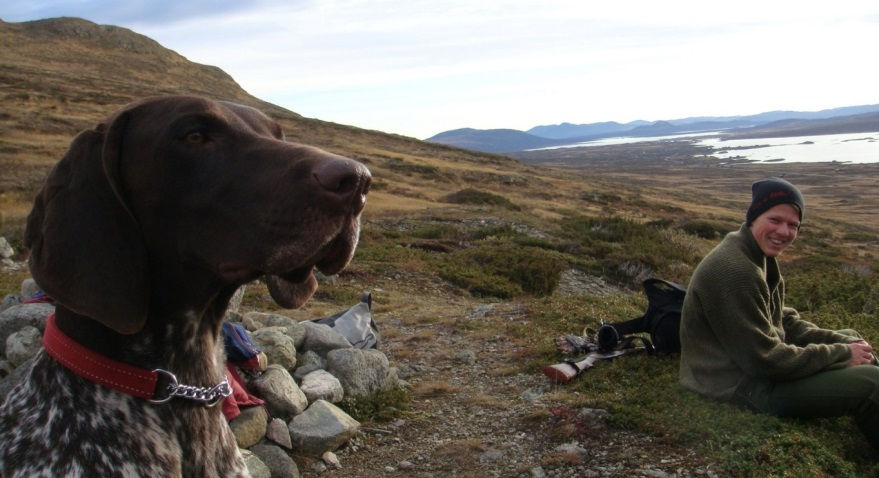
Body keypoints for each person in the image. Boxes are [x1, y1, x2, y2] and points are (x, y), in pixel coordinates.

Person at [679, 176, 879, 449]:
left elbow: (784, 321)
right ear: (754, 217)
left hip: (755, 370)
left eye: (793, 225)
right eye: (775, 220)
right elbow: (764, 361)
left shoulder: (755, 254)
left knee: (852, 338)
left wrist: (844, 345)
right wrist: (842, 355)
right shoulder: (736, 271)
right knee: (871, 383)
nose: (784, 232)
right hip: (741, 386)